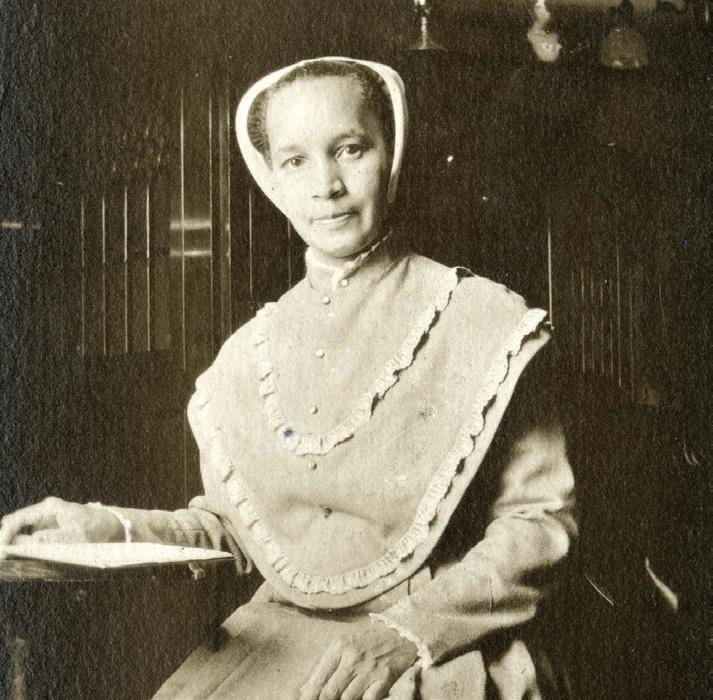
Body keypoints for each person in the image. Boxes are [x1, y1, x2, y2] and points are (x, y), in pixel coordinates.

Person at [0, 57, 576, 699]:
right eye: (296, 161)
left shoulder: (485, 320)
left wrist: (409, 633)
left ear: (391, 152)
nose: (326, 185)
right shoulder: (245, 358)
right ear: (271, 179)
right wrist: (109, 528)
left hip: (436, 641)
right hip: (277, 642)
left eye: (350, 149)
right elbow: (241, 533)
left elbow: (539, 524)